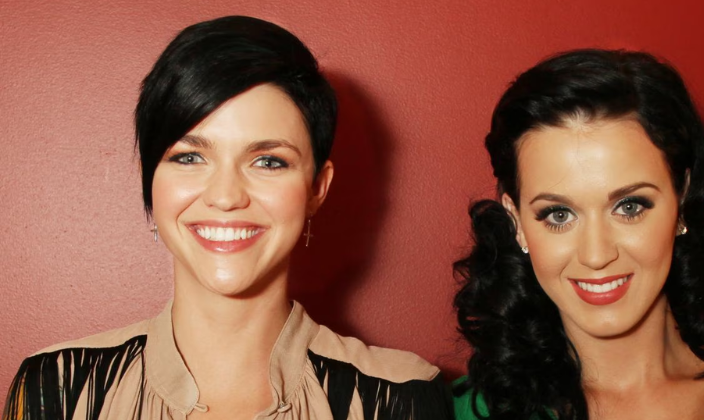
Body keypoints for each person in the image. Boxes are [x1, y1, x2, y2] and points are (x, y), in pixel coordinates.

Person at [3, 16, 452, 420]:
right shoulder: (58, 386)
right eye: (189, 157)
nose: (225, 196)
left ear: (317, 188)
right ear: (149, 180)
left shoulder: (401, 395)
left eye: (268, 161)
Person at [452, 49, 704, 420]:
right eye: (559, 214)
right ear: (517, 222)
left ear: (682, 200)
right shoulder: (458, 411)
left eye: (629, 207)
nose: (596, 254)